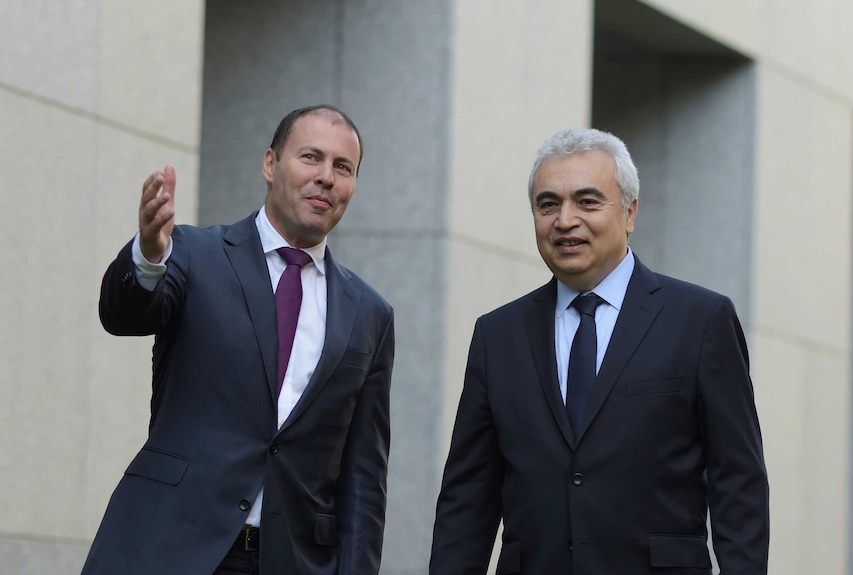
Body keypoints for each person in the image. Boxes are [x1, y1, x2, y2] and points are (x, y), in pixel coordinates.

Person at [430, 128, 768, 574]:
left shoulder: (700, 321)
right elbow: (467, 497)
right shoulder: (498, 335)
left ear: (630, 213)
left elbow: (738, 483)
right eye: (548, 205)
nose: (565, 220)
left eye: (588, 202)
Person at [82, 105, 395, 575]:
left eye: (342, 167)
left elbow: (363, 478)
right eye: (311, 157)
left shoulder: (369, 313)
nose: (327, 177)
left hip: (292, 560)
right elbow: (122, 315)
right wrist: (148, 256)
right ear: (270, 164)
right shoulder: (194, 253)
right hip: (168, 547)